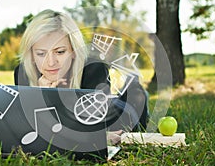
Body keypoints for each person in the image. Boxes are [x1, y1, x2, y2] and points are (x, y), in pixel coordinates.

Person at [14, 9, 149, 145]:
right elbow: (25, 127)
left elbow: (93, 125)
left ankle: (133, 86)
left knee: (135, 97)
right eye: (41, 54)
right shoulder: (23, 73)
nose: (50, 62)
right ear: (31, 54)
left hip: (117, 114)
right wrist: (41, 97)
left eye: (60, 52)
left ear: (73, 50)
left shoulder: (94, 68)